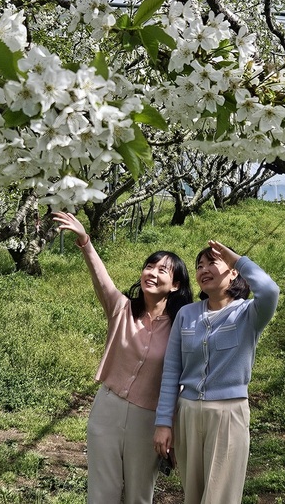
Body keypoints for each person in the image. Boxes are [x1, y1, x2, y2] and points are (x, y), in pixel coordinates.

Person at [53, 211, 193, 504]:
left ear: (176, 284)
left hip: (149, 418)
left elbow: (182, 378)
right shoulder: (122, 310)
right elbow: (101, 278)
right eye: (149, 266)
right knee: (102, 491)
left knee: (139, 494)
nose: (151, 273)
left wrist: (171, 426)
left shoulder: (182, 326)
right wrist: (85, 241)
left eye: (162, 271)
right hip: (108, 407)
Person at [153, 240, 280, 504]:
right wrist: (164, 422)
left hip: (228, 413)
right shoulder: (186, 315)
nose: (204, 270)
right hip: (187, 413)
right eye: (199, 265)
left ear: (234, 272)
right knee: (193, 495)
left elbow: (269, 290)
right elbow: (171, 371)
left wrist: (237, 260)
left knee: (219, 497)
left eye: (213, 262)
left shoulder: (248, 313)